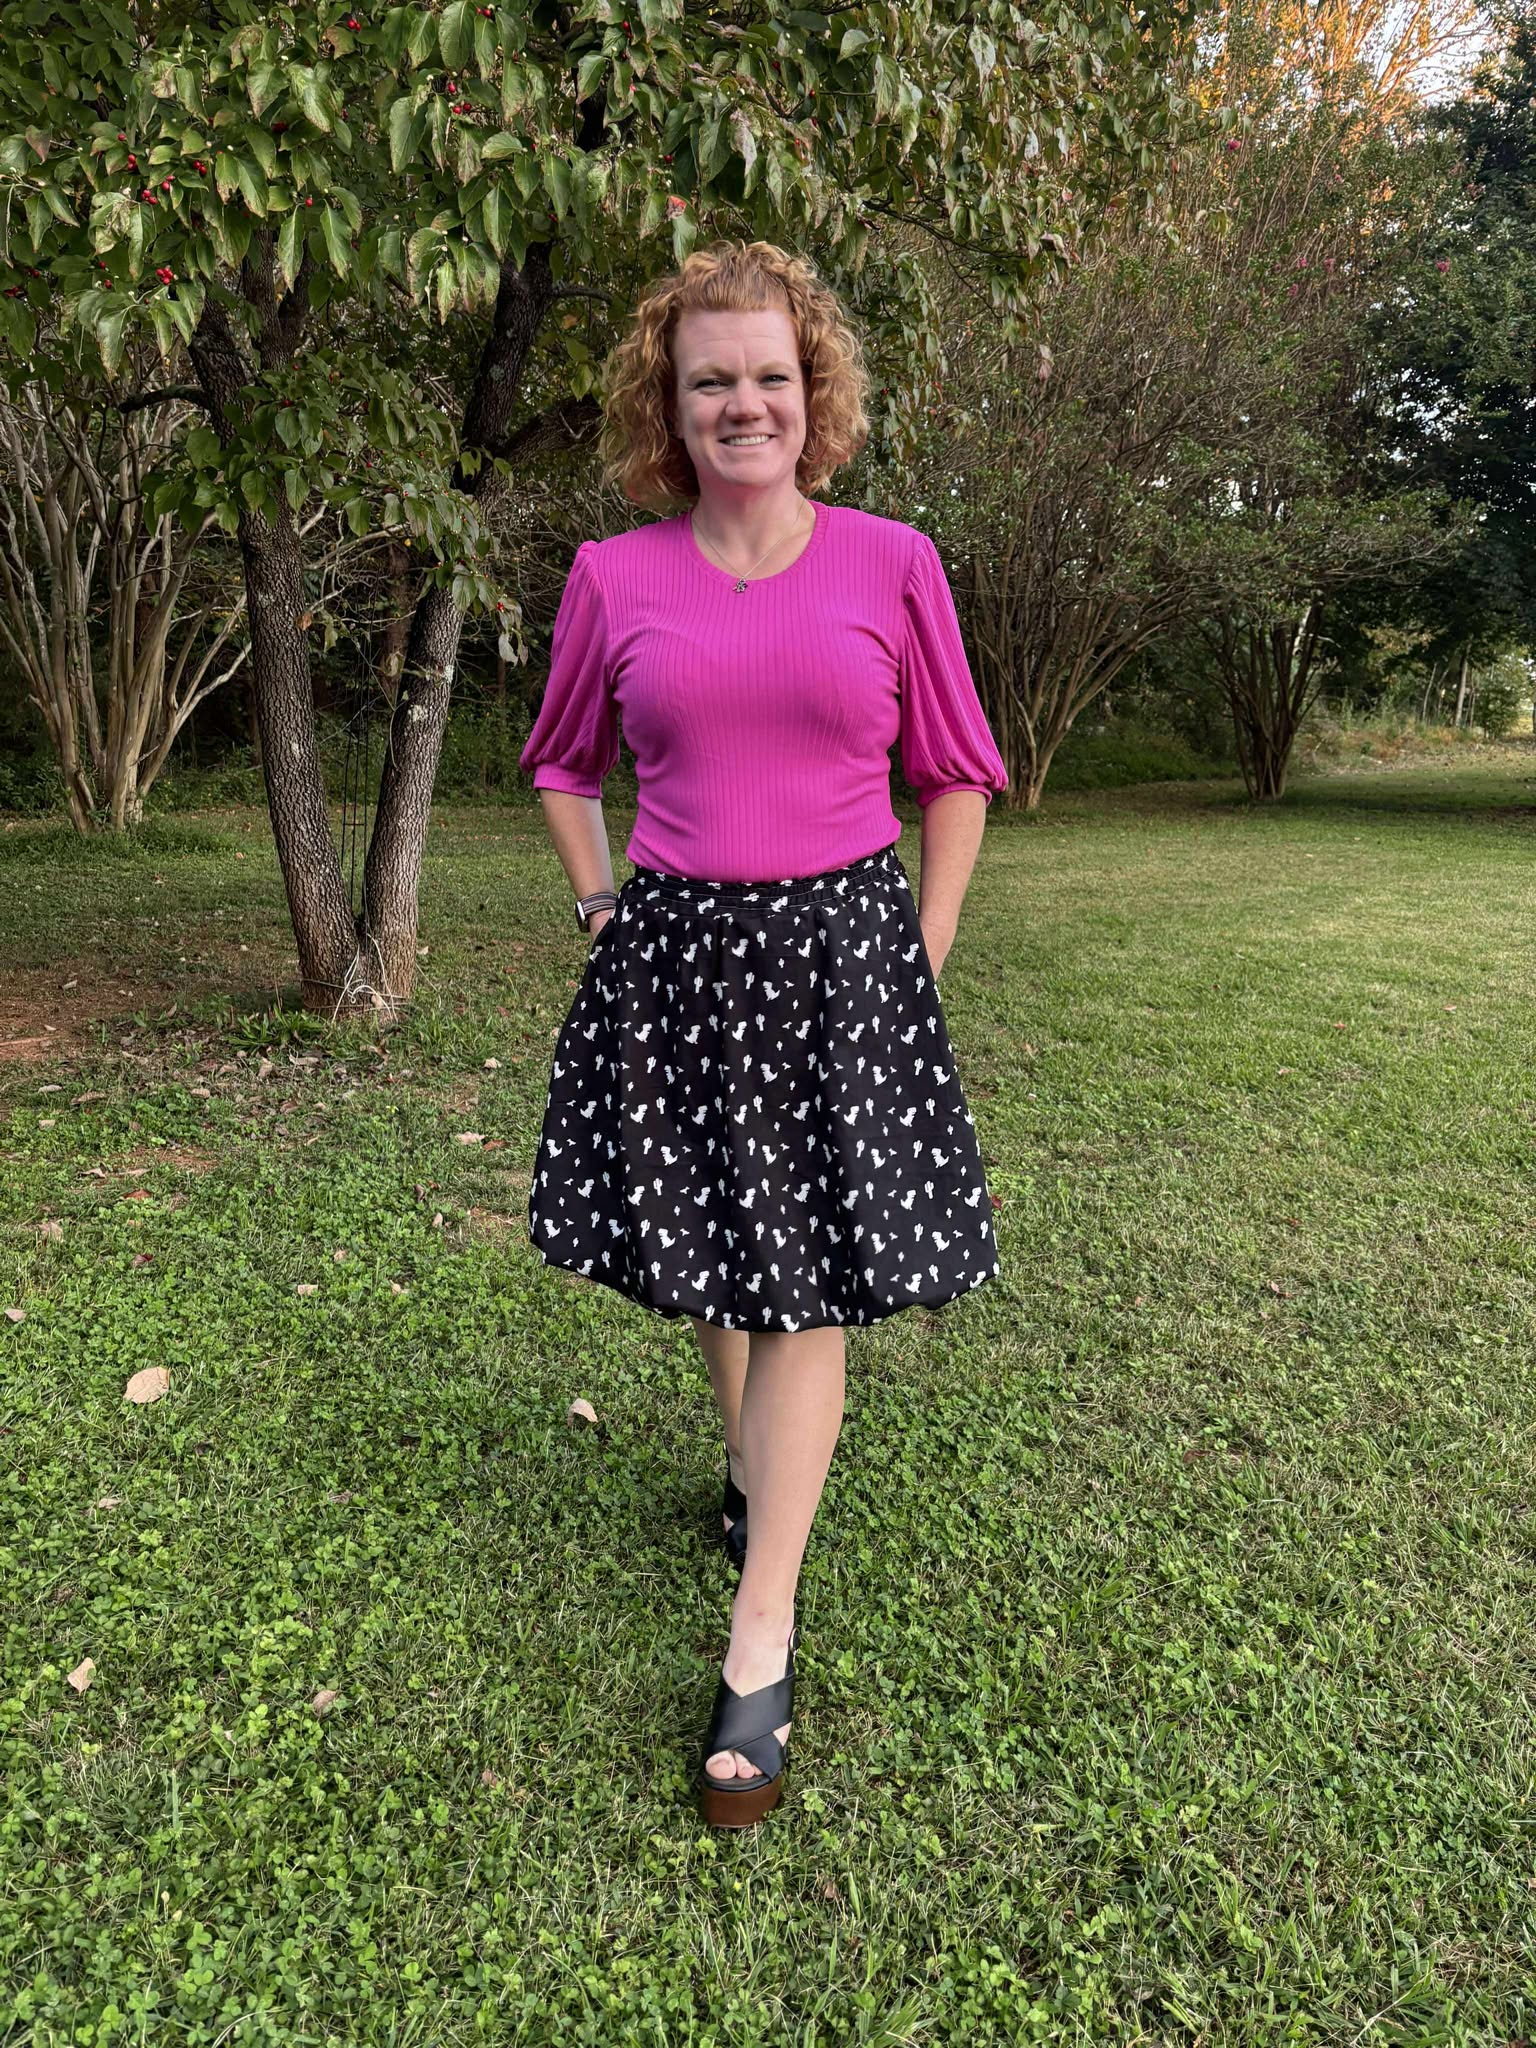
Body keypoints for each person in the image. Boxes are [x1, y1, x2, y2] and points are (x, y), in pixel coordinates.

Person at [518, 239, 1008, 1827]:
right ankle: (745, 1474)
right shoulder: (615, 577)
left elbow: (954, 768)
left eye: (771, 377)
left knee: (810, 1283)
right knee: (712, 1248)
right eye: (711, 377)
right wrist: (604, 910)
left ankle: (760, 1637)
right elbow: (561, 762)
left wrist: (919, 948)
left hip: (843, 954)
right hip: (675, 959)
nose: (745, 403)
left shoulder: (893, 564)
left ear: (817, 396)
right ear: (672, 403)